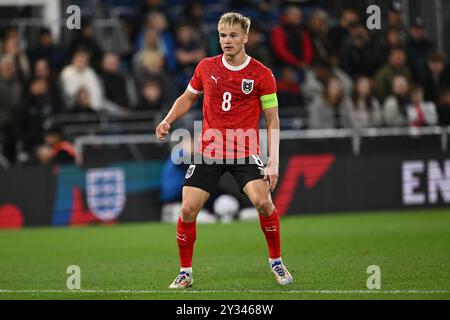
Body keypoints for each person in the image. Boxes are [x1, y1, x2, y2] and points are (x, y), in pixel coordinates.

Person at [155, 12, 293, 288]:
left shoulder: (262, 75)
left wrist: (272, 162)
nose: (226, 40)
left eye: (232, 35)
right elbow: (187, 97)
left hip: (245, 150)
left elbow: (272, 120)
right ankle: (185, 273)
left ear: (245, 38)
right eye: (222, 35)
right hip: (210, 150)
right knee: (187, 210)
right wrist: (168, 120)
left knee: (264, 203)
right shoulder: (206, 67)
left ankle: (276, 262)